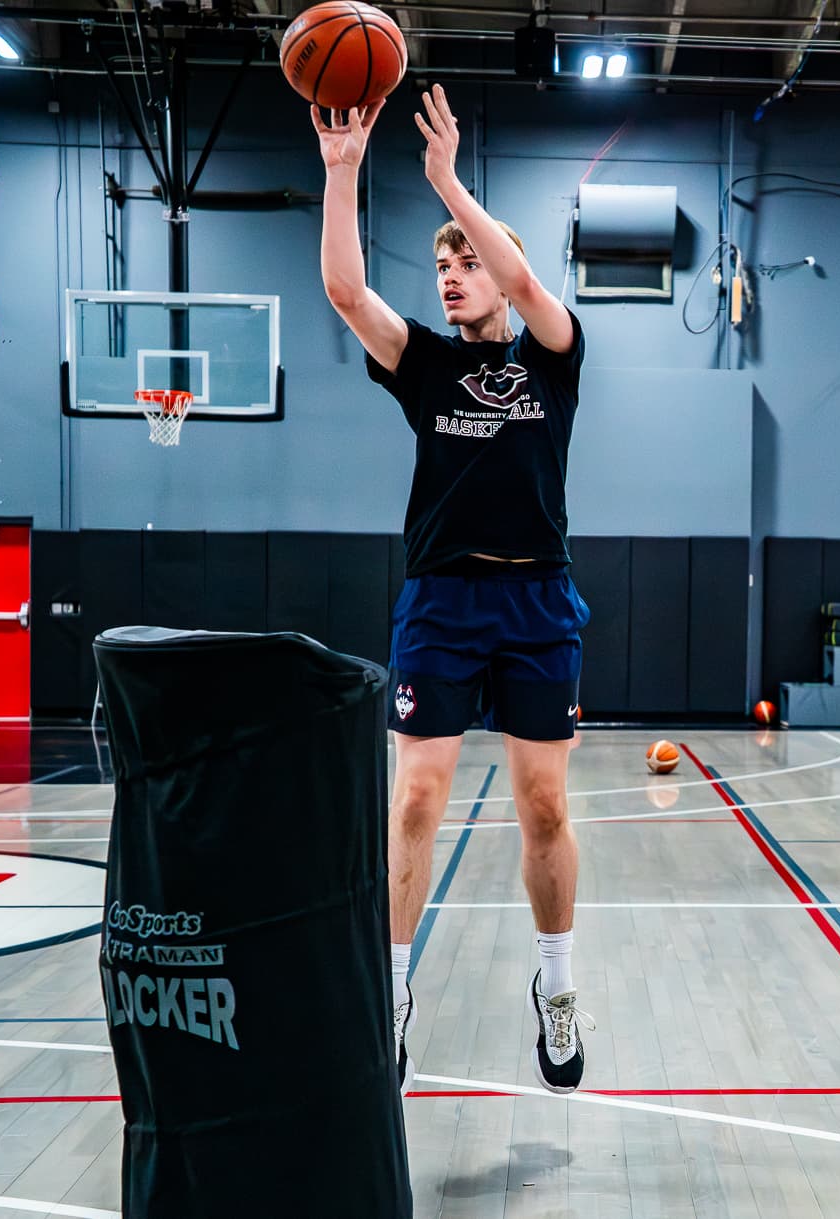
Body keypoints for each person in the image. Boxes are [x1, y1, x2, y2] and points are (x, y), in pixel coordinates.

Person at [311, 85, 593, 1096]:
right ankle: (389, 993)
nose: (450, 275)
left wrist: (447, 185)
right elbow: (348, 294)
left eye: (465, 259)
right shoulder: (424, 367)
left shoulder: (553, 356)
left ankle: (554, 985)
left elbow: (520, 275)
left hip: (536, 605)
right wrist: (344, 173)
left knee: (544, 809)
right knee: (415, 798)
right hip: (439, 599)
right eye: (439, 263)